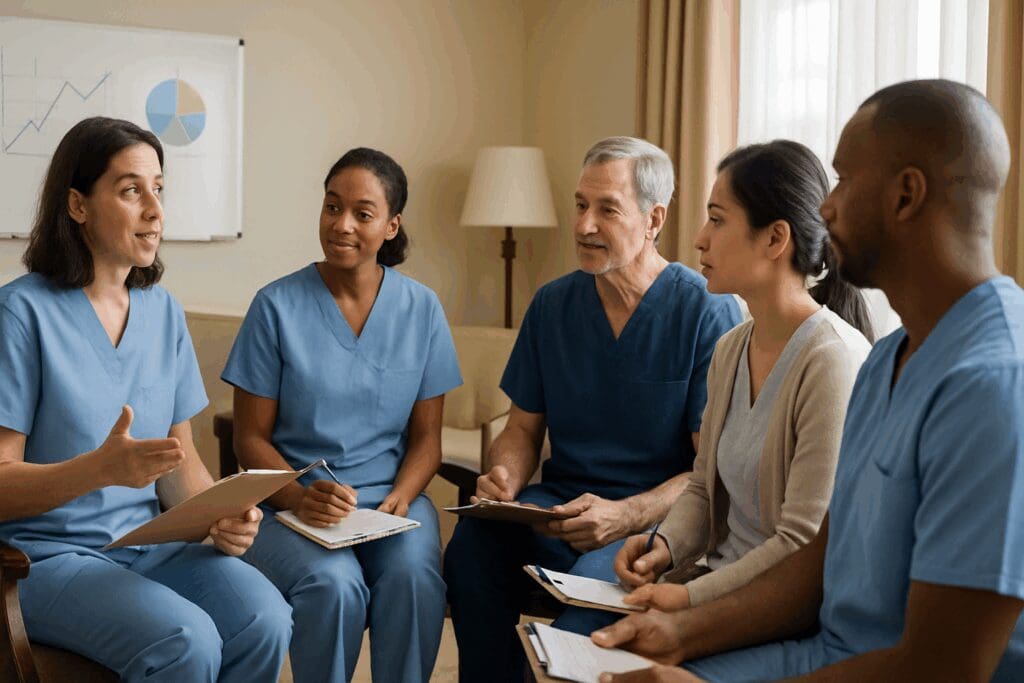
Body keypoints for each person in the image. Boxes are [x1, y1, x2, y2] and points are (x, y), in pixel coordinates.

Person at [593, 79, 1024, 683]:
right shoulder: (891, 356)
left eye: (845, 179)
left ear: (907, 195)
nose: (824, 207)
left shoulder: (994, 385)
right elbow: (819, 558)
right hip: (827, 652)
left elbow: (941, 669)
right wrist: (681, 633)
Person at [0, 116, 291, 682]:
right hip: (46, 560)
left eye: (159, 188)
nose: (155, 209)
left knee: (266, 618)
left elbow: (179, 465)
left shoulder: (163, 313)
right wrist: (98, 470)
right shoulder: (19, 315)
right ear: (78, 206)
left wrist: (222, 515)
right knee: (187, 640)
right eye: (132, 190)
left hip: (148, 546)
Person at [444, 136, 742, 682]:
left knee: (593, 601)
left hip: (653, 526)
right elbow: (521, 428)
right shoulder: (552, 305)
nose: (584, 225)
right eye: (581, 205)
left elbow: (710, 473)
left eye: (607, 210)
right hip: (557, 510)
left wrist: (625, 514)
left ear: (654, 219)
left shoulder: (707, 310)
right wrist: (505, 476)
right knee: (470, 552)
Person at [606, 140, 872, 624]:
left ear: (774, 239)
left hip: (780, 610)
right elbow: (704, 488)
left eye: (717, 219)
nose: (699, 239)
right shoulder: (730, 348)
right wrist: (662, 546)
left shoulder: (833, 360)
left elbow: (800, 544)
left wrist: (686, 601)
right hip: (714, 584)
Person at [221, 147, 461, 683]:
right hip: (290, 505)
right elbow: (249, 440)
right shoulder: (275, 306)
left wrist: (403, 496)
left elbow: (427, 441)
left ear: (392, 225)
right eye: (332, 207)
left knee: (415, 579)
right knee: (335, 586)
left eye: (362, 212)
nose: (342, 224)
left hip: (390, 503)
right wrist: (301, 497)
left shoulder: (421, 309)